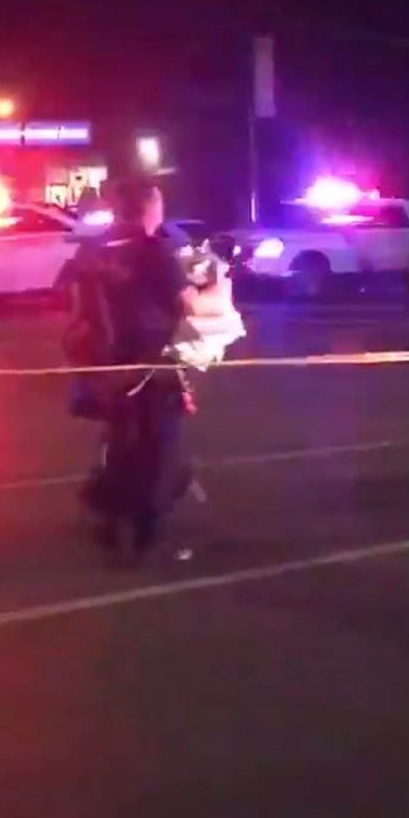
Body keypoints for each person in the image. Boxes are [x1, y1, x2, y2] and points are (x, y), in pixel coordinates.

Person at [70, 177, 232, 562]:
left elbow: (75, 300)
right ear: (150, 207)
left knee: (121, 444)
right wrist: (221, 289)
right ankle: (145, 534)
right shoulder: (155, 252)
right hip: (152, 365)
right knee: (159, 449)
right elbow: (190, 305)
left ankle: (112, 522)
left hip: (108, 366)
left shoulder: (94, 250)